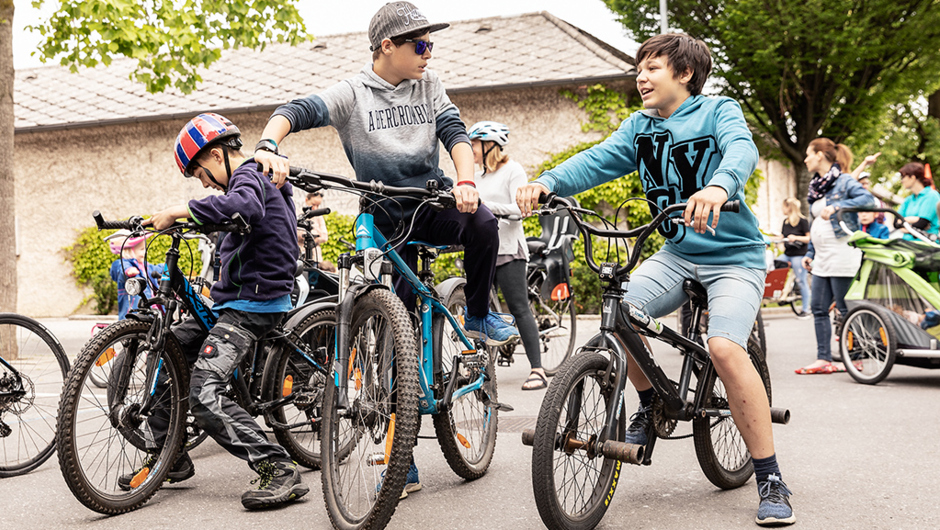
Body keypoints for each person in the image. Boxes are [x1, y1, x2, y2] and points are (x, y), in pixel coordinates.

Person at [517, 33, 794, 526]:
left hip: (735, 258)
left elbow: (742, 152)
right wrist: (548, 182)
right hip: (676, 252)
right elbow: (597, 160)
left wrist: (717, 185)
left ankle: (770, 476)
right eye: (638, 68)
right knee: (621, 316)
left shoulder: (718, 111)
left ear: (684, 74)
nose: (641, 77)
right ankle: (650, 405)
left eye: (653, 67)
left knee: (726, 348)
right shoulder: (640, 127)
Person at [254, 1, 519, 499]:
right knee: (395, 336)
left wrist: (465, 179)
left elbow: (455, 133)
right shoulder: (353, 93)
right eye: (419, 45)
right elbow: (295, 111)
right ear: (386, 47)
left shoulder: (429, 83)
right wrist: (268, 145)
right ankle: (405, 460)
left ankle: (480, 316)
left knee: (482, 223)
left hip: (429, 200)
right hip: (383, 210)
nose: (428, 52)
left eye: (430, 44)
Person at [131, 113, 308, 510]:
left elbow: (240, 207)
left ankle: (280, 469)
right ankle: (169, 454)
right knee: (172, 348)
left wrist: (179, 210)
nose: (205, 184)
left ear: (215, 155)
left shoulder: (252, 175)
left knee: (204, 393)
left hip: (257, 303)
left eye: (200, 174)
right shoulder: (241, 182)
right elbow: (226, 213)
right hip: (235, 299)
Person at [470, 121, 546, 390]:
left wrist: (486, 206)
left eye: (474, 145)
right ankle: (480, 370)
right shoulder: (477, 178)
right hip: (482, 252)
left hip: (509, 251)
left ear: (489, 144)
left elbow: (520, 210)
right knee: (479, 310)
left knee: (519, 307)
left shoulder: (513, 171)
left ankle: (537, 370)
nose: (471, 150)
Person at [798, 138, 875, 376]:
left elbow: (867, 200)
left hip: (843, 253)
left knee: (844, 309)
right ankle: (823, 358)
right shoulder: (816, 186)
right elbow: (814, 223)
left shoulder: (844, 181)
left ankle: (856, 358)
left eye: (809, 154)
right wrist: (810, 252)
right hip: (822, 256)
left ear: (820, 155)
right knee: (819, 308)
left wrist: (838, 206)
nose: (805, 159)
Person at [105, 230, 164, 319]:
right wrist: (128, 270)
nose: (145, 252)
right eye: (141, 249)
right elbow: (119, 269)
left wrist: (167, 265)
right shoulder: (122, 263)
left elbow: (155, 269)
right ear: (129, 250)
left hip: (149, 309)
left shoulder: (145, 266)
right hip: (133, 313)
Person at [778, 198, 811, 316]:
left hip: (799, 254)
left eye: (784, 206)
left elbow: (808, 238)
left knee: (801, 281)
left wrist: (796, 237)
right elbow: (782, 236)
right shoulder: (785, 222)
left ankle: (806, 309)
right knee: (775, 265)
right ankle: (782, 293)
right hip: (787, 254)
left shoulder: (802, 221)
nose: (782, 209)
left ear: (789, 207)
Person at [897, 161, 939, 241]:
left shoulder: (931, 196)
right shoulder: (908, 199)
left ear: (912, 177)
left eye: (903, 177)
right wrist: (913, 220)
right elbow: (896, 223)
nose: (901, 181)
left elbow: (922, 223)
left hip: (925, 244)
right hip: (906, 243)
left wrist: (904, 221)